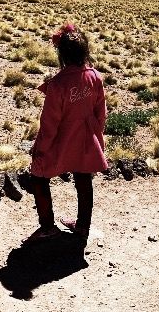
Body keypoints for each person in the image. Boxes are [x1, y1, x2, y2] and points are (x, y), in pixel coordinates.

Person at [24, 22, 108, 244]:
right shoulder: (95, 77)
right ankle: (82, 227)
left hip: (61, 140)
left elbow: (50, 123)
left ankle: (47, 226)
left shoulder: (58, 84)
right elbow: (101, 113)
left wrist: (41, 148)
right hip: (86, 139)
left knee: (39, 176)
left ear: (62, 54)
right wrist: (97, 137)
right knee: (84, 178)